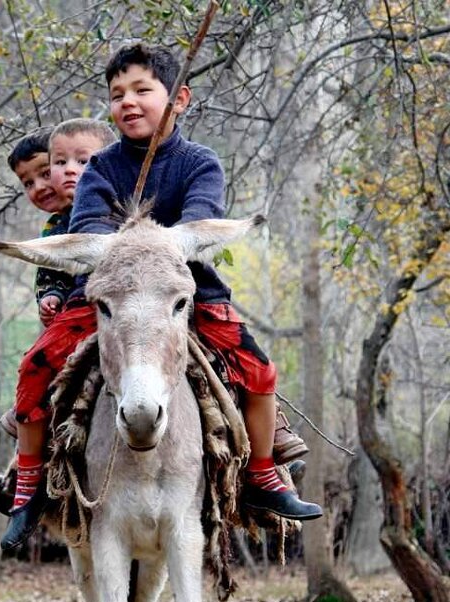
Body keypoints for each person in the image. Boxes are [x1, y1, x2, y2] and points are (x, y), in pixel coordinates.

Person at [68, 43, 321, 523]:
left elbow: (200, 222)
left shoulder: (200, 162)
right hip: (111, 295)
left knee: (260, 371)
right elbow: (88, 227)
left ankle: (264, 473)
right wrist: (126, 252)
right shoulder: (100, 167)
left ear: (179, 99)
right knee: (41, 364)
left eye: (143, 89)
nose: (128, 101)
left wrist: (156, 246)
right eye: (117, 93)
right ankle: (28, 475)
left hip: (190, 292)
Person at [0, 119, 117, 519]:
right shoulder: (55, 225)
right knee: (41, 378)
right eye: (28, 182)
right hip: (73, 319)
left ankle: (265, 457)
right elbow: (50, 275)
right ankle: (23, 479)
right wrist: (51, 296)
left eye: (44, 173)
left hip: (122, 305)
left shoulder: (110, 203)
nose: (40, 187)